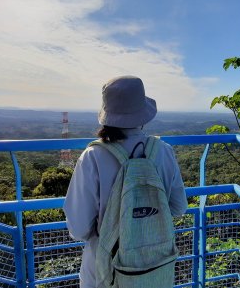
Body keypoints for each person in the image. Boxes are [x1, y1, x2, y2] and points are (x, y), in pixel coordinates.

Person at [63, 75, 188, 288]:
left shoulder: (93, 157)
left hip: (104, 272)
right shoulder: (163, 152)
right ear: (142, 114)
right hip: (154, 269)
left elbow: (79, 228)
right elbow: (178, 208)